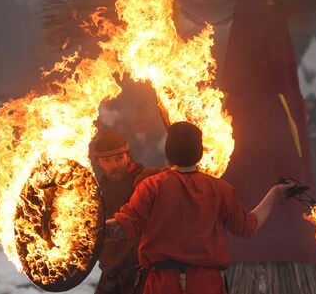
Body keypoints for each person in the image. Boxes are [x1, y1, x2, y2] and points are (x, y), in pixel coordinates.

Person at [105, 122, 294, 294]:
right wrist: (275, 193)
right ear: (200, 151)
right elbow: (247, 227)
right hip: (206, 285)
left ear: (168, 151)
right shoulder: (220, 189)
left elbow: (122, 228)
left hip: (163, 285)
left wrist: (85, 229)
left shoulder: (151, 187)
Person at [94, 131, 163, 294]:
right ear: (98, 163)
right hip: (111, 275)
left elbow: (171, 175)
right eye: (107, 160)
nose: (115, 165)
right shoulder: (98, 190)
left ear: (128, 156)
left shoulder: (147, 180)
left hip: (142, 275)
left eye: (119, 158)